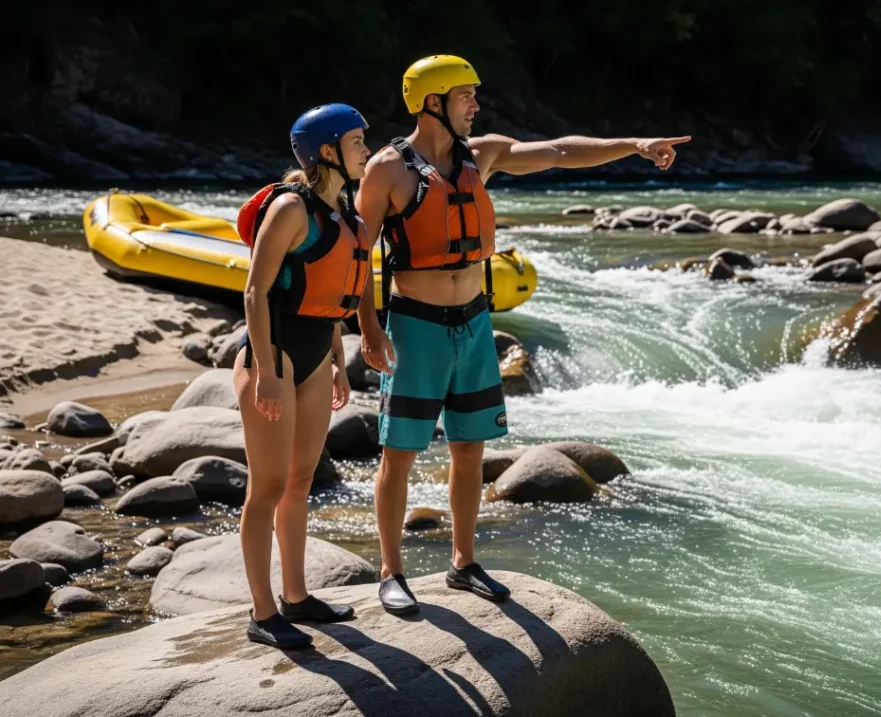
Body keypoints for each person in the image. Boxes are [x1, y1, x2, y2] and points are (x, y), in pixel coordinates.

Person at [354, 54, 692, 615]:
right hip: (415, 327)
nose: (476, 105)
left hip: (475, 324)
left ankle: (463, 563)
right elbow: (356, 253)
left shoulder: (480, 155)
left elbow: (561, 151)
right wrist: (368, 327)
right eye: (466, 95)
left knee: (469, 449)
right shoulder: (388, 170)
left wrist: (634, 142)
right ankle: (392, 571)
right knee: (400, 453)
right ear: (433, 101)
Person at [232, 103, 372, 648]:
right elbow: (256, 292)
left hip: (315, 356)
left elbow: (327, 294)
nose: (367, 149)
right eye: (358, 141)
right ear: (328, 151)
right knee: (265, 487)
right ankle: (262, 613)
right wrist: (265, 371)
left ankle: (296, 596)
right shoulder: (292, 209)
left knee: (299, 481)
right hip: (275, 356)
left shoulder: (346, 211)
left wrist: (338, 359)